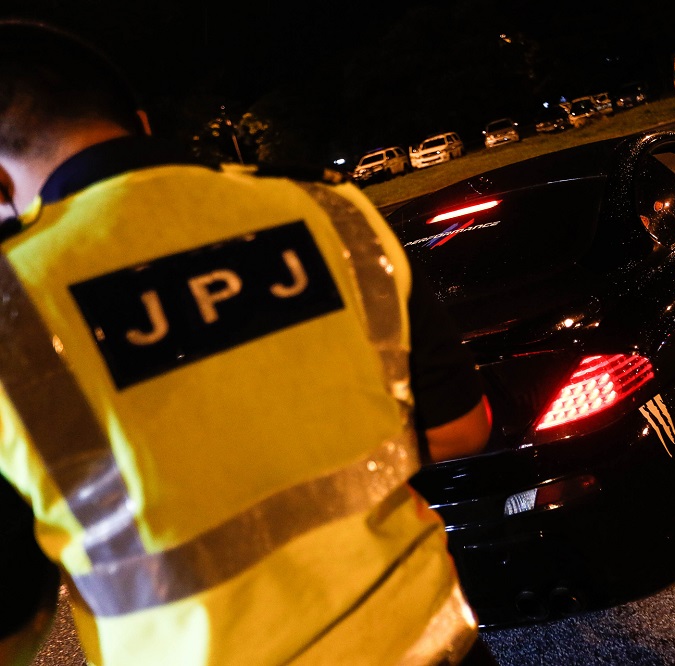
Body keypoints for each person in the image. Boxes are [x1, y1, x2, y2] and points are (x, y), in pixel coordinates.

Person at [0, 20, 494, 666]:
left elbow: (14, 620)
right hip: (432, 646)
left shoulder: (15, 306)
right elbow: (462, 427)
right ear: (140, 124)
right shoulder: (329, 209)